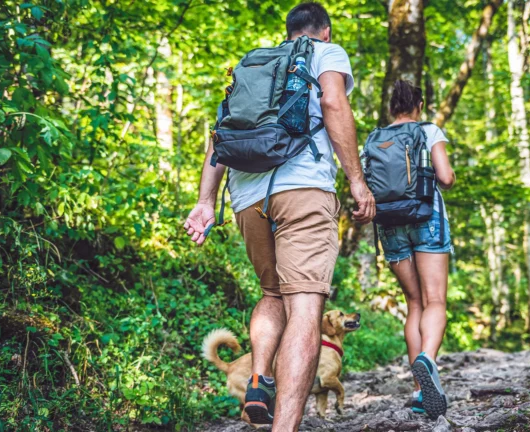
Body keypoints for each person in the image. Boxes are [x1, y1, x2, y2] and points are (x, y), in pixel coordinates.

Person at [183, 3, 375, 430]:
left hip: (247, 194)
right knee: (306, 308)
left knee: (273, 295)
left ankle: (259, 376)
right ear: (324, 31)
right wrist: (357, 182)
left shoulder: (254, 63)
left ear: (286, 31)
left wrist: (205, 201)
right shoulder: (326, 52)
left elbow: (221, 134)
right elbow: (333, 102)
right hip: (303, 188)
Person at [377, 80, 455, 418]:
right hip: (427, 216)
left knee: (414, 303)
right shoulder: (428, 130)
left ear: (391, 107)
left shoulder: (376, 137)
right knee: (435, 300)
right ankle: (428, 359)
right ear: (418, 105)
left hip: (390, 222)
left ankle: (420, 390)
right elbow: (446, 177)